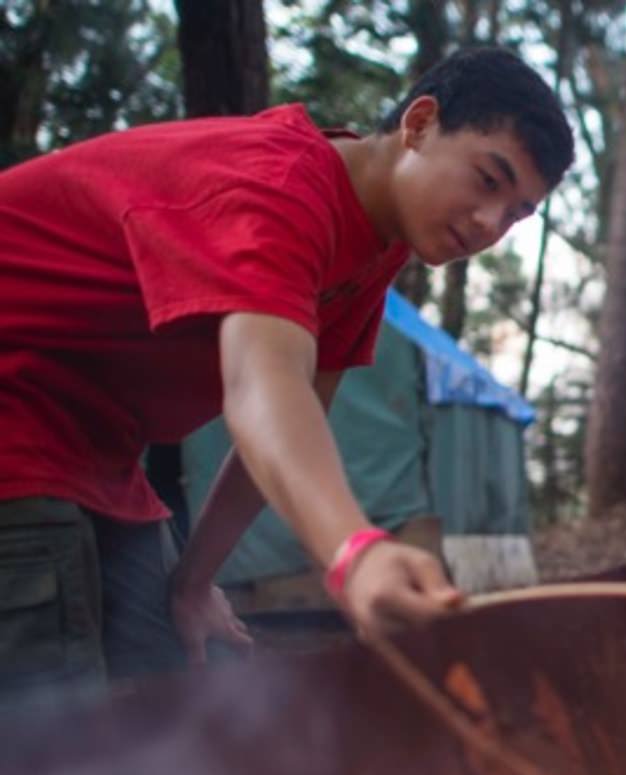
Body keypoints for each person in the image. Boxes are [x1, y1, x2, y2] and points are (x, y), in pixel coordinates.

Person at [0, 46, 573, 697]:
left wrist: (194, 583)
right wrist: (355, 553)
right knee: (53, 724)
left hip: (97, 449)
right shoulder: (282, 186)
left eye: (517, 213)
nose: (491, 224)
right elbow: (261, 385)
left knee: (172, 671)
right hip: (19, 417)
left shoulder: (375, 248)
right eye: (488, 180)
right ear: (419, 124)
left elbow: (296, 412)